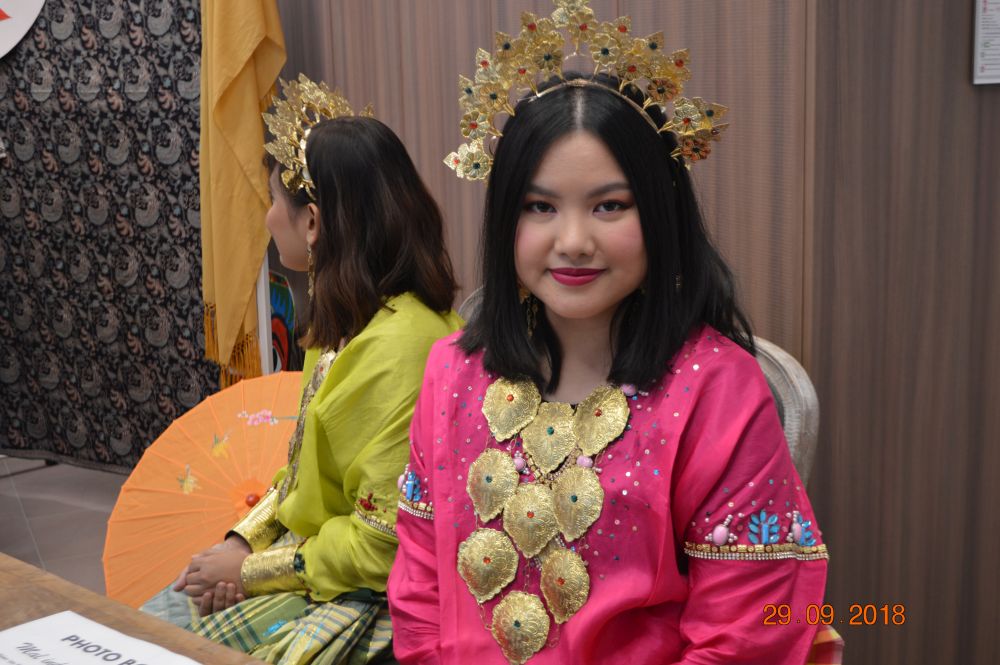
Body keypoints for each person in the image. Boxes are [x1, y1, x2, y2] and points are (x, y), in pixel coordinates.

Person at [388, 4, 836, 664]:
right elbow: (419, 586)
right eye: (540, 206)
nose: (573, 240)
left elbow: (744, 633)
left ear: (659, 214)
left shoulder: (717, 392)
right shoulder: (450, 372)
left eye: (609, 205)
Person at [143, 75, 463, 664]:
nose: (268, 218)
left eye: (274, 200)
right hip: (314, 559)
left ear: (312, 222)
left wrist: (253, 572)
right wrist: (241, 546)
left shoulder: (402, 348)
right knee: (145, 625)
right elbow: (297, 480)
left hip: (369, 594)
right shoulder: (349, 322)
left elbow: (383, 545)